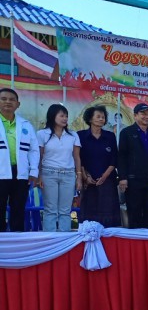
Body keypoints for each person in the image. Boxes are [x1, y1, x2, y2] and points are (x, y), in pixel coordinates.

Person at [35, 104, 82, 232]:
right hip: (48, 173)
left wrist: (79, 177)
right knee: (50, 209)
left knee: (65, 210)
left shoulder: (73, 135)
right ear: (52, 116)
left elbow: (77, 157)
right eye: (61, 116)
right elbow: (39, 156)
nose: (65, 118)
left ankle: (64, 239)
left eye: (66, 116)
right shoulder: (42, 134)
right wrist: (39, 176)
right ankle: (50, 239)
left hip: (68, 174)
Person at [0, 88, 39, 232]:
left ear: (18, 104)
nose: (8, 102)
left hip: (20, 172)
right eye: (4, 99)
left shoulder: (26, 125)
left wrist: (33, 171)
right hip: (1, 171)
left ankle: (17, 239)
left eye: (12, 99)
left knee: (18, 208)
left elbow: (33, 150)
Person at [118, 103, 148, 228]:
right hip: (133, 179)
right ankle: (134, 238)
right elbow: (121, 156)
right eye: (143, 114)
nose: (147, 117)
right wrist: (122, 177)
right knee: (134, 212)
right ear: (135, 115)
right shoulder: (126, 132)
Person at [78, 106, 120, 227]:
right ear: (90, 119)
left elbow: (114, 158)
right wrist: (85, 176)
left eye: (103, 117)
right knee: (89, 214)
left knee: (108, 213)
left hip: (107, 180)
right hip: (88, 182)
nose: (101, 119)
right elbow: (78, 158)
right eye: (98, 116)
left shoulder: (110, 136)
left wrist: (105, 176)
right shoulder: (81, 136)